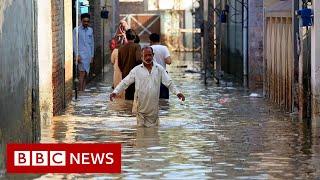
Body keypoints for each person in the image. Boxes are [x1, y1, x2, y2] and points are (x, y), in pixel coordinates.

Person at [110, 46, 185, 127]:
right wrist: (115, 92)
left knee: (154, 132)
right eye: (145, 55)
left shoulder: (159, 69)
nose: (148, 57)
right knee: (141, 132)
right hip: (140, 108)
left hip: (153, 109)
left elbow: (169, 82)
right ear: (141, 57)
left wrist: (178, 93)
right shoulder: (136, 70)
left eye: (150, 55)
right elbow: (125, 82)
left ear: (153, 55)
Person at [118, 29, 142, 100]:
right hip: (135, 75)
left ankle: (127, 110)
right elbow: (138, 60)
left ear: (126, 37)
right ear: (134, 37)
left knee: (128, 95)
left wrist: (124, 71)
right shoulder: (137, 46)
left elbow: (119, 64)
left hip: (125, 75)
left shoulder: (121, 48)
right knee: (136, 96)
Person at [73, 13, 94, 91]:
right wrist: (77, 55)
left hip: (88, 56)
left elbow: (92, 43)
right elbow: (75, 43)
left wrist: (92, 56)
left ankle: (83, 91)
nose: (86, 23)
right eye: (84, 21)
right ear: (81, 21)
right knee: (81, 74)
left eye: (87, 21)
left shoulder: (90, 30)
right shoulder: (76, 30)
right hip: (81, 56)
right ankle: (80, 92)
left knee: (86, 75)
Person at [149, 33, 172, 99]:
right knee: (164, 99)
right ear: (159, 40)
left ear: (150, 41)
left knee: (152, 99)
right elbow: (169, 62)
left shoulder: (148, 49)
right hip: (163, 76)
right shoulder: (164, 48)